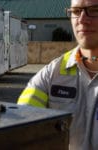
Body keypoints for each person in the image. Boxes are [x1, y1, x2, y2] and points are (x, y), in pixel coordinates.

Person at [17, 0, 98, 149]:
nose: (82, 19)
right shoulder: (50, 75)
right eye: (76, 11)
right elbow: (20, 125)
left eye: (94, 10)